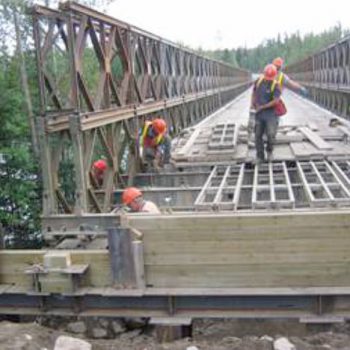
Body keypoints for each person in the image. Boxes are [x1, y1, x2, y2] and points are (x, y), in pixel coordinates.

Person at [250, 64, 281, 164]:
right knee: (258, 135)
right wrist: (252, 103)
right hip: (259, 113)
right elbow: (254, 92)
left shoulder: (275, 85)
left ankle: (269, 151)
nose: (268, 80)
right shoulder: (258, 81)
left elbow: (276, 101)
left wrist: (263, 107)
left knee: (271, 134)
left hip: (271, 113)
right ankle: (260, 157)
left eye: (270, 78)